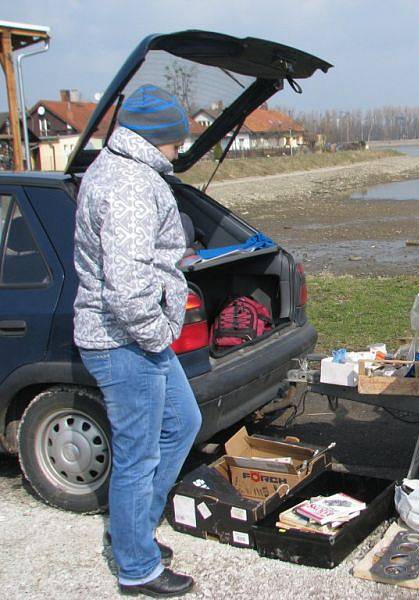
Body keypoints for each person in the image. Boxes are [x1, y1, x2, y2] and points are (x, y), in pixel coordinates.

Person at [73, 84, 201, 597]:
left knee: (183, 422)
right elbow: (127, 290)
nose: (179, 151)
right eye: (176, 142)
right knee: (138, 454)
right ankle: (137, 568)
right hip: (124, 340)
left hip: (133, 336)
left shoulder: (127, 170)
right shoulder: (128, 184)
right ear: (156, 138)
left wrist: (172, 267)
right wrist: (158, 333)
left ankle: (132, 533)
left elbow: (135, 262)